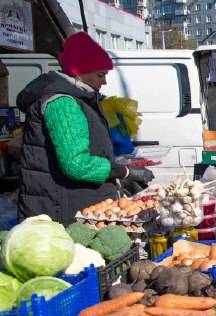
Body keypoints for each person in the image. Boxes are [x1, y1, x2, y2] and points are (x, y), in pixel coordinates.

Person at [17, 32, 154, 224]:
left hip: (72, 203)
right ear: (77, 71)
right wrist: (124, 172)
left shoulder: (79, 99)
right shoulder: (62, 103)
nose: (104, 82)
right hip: (62, 208)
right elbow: (76, 165)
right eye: (100, 75)